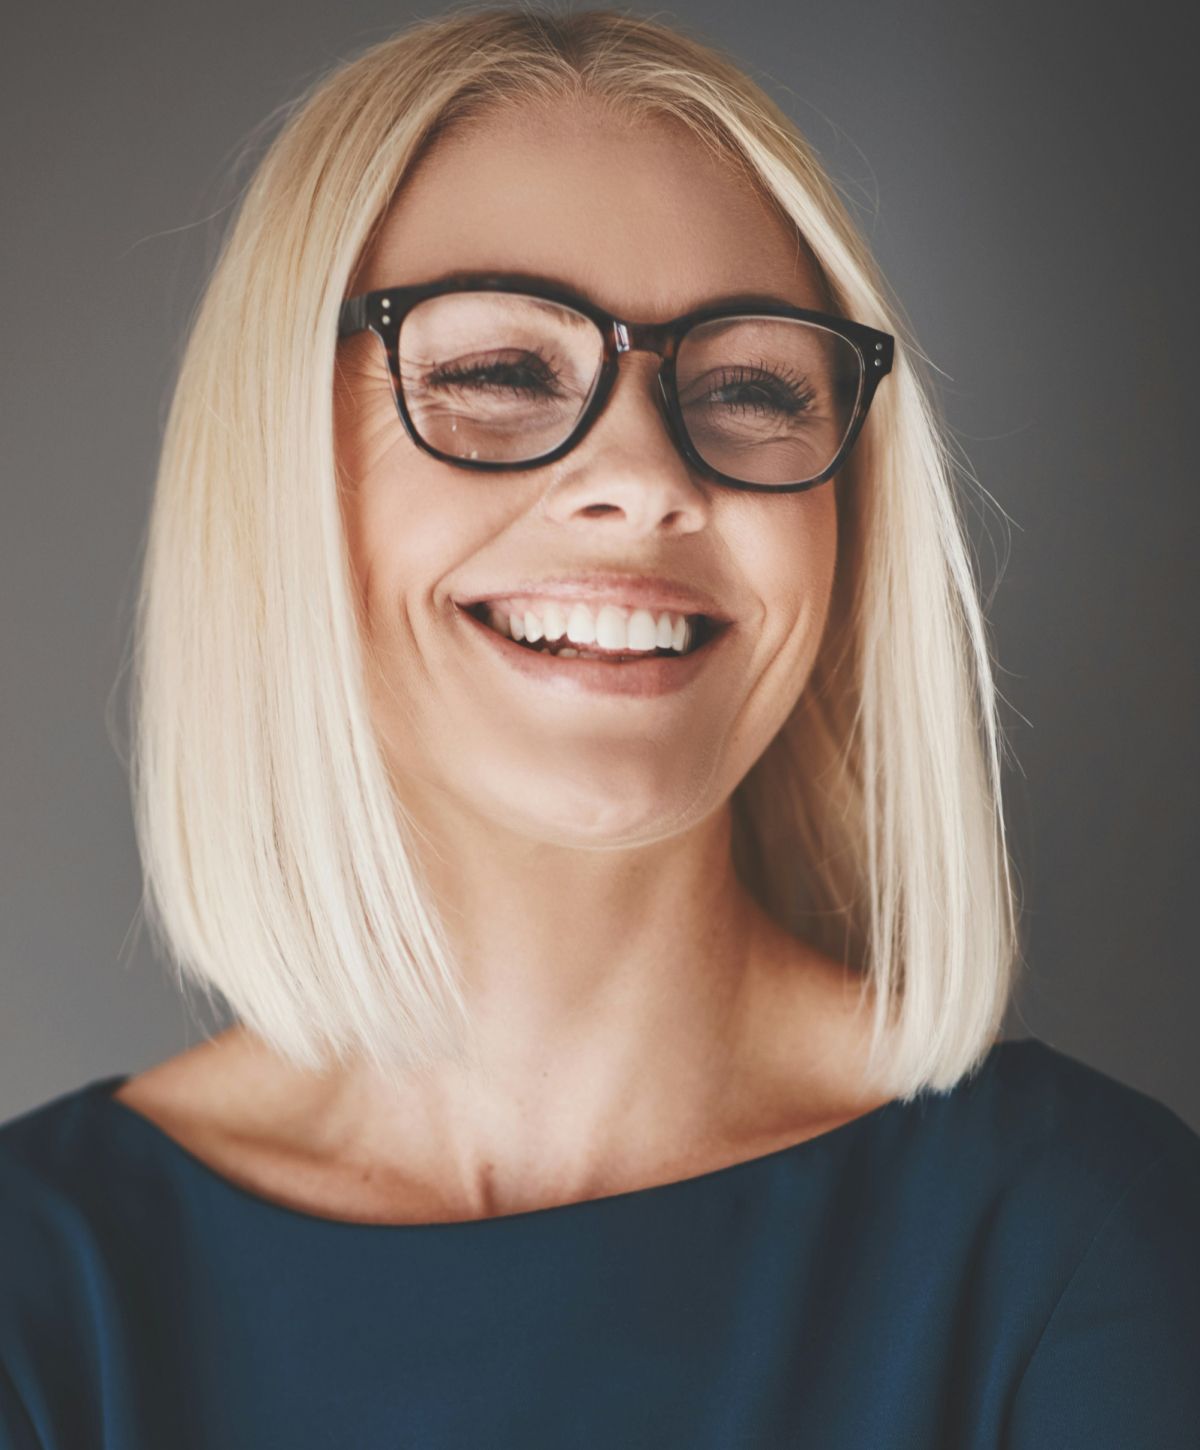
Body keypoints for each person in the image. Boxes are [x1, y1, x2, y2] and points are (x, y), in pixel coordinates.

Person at [1, 6, 1197, 1447]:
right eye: (500, 374)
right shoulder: (35, 1286)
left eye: (749, 384)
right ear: (276, 463)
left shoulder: (1092, 1242)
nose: (641, 476)